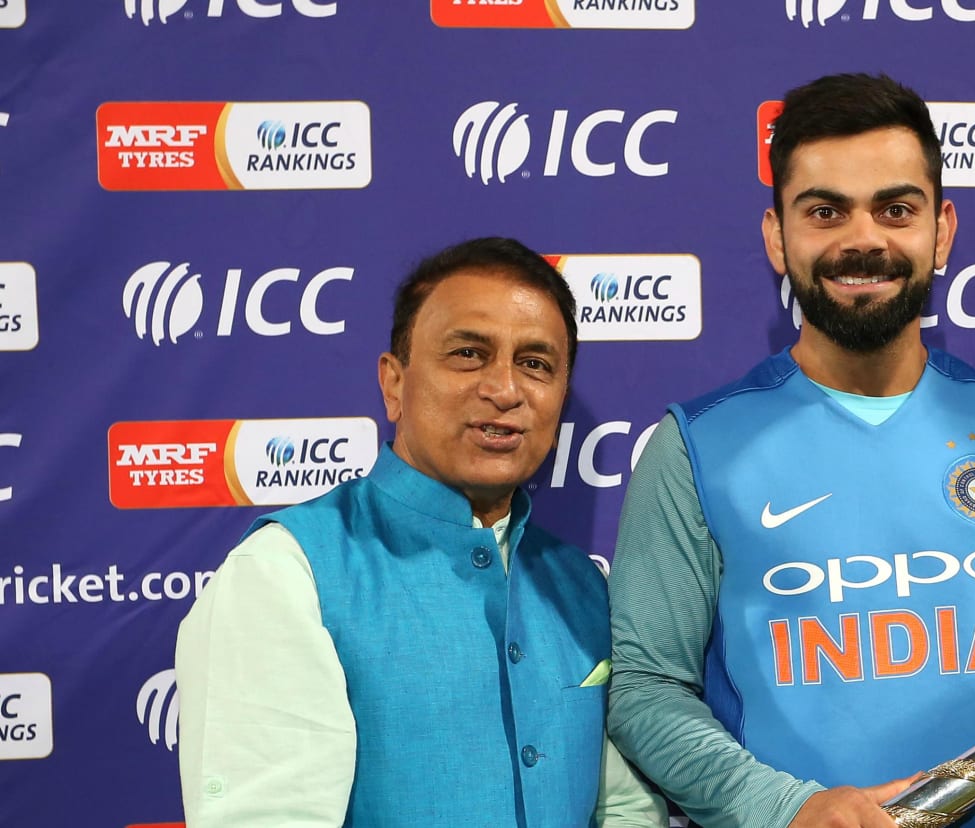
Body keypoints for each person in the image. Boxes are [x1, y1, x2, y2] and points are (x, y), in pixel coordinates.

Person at [606, 73, 975, 828]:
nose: (864, 240)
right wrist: (786, 808)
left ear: (941, 231)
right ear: (778, 236)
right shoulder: (696, 446)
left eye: (895, 209)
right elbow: (644, 685)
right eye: (824, 212)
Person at [174, 237, 666, 827]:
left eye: (535, 364)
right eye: (468, 354)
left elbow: (626, 810)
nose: (505, 390)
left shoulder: (582, 585)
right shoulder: (285, 571)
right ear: (393, 383)